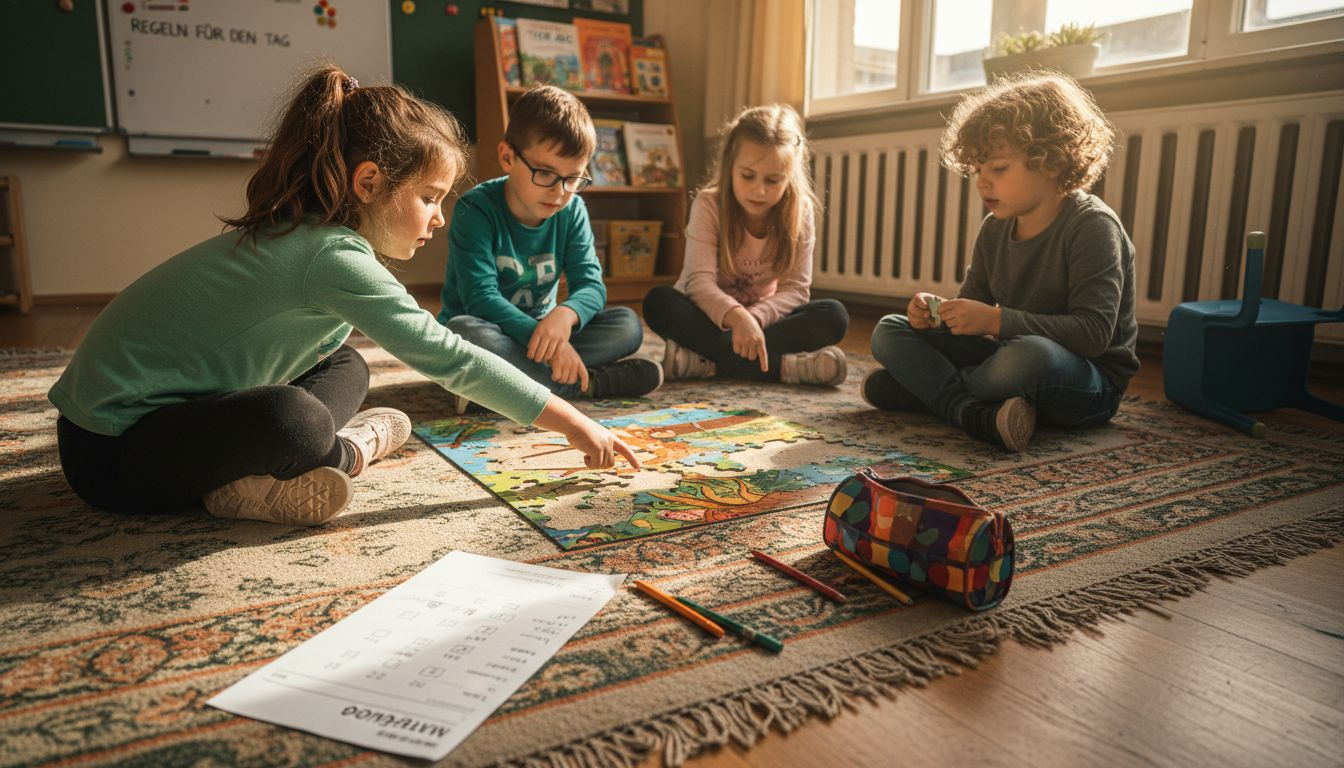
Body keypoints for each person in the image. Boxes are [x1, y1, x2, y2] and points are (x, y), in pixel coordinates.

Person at [47, 66, 640, 527]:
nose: (439, 218)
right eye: (430, 197)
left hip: (168, 418)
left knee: (344, 360)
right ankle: (342, 455)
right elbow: (449, 357)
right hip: (110, 453)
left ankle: (253, 471)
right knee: (294, 418)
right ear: (369, 183)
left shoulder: (310, 234)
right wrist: (573, 424)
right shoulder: (331, 257)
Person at [865, 73, 1138, 452]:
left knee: (1030, 356)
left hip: (1084, 382)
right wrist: (938, 316)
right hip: (1003, 363)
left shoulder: (1092, 226)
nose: (981, 183)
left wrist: (995, 319)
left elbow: (1092, 335)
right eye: (978, 170)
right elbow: (971, 315)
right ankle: (970, 411)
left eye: (998, 169)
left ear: (1053, 162)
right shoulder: (994, 229)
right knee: (888, 330)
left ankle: (925, 392)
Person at [438, 86, 661, 413]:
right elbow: (480, 298)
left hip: (547, 335)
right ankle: (591, 383)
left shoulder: (572, 210)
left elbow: (591, 286)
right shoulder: (476, 209)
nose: (560, 192)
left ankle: (498, 388)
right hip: (492, 332)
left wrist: (565, 316)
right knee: (463, 332)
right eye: (545, 173)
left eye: (573, 178)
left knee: (627, 324)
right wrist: (553, 348)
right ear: (507, 157)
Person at [641, 104, 849, 386]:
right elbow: (699, 283)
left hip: (764, 320)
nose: (759, 190)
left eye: (773, 180)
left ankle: (705, 361)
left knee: (833, 316)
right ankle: (785, 368)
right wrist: (737, 318)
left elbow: (796, 289)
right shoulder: (709, 204)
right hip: (707, 316)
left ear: (790, 177)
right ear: (730, 167)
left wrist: (753, 320)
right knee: (659, 302)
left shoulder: (800, 211)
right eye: (748, 176)